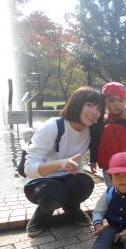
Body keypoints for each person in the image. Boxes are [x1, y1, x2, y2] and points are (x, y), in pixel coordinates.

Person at [23, 86, 104, 237]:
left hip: (66, 178)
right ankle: (42, 215)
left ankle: (72, 207)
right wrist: (60, 163)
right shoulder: (54, 126)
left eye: (98, 108)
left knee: (85, 182)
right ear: (76, 103)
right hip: (40, 181)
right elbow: (29, 168)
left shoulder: (89, 131)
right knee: (55, 193)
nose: (94, 112)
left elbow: (77, 164)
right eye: (89, 105)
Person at [89, 82, 126, 187]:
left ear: (125, 102)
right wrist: (93, 160)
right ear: (105, 103)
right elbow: (94, 141)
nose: (116, 104)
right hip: (109, 164)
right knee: (112, 188)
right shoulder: (101, 121)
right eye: (111, 100)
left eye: (120, 100)